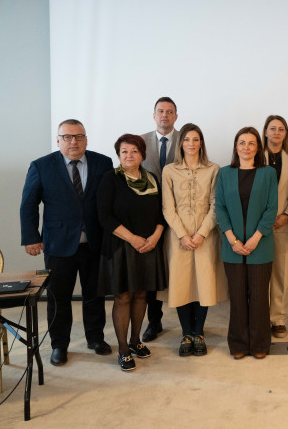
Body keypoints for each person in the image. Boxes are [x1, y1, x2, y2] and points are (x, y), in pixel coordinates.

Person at [20, 119, 113, 366]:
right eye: (67, 137)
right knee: (58, 298)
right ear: (58, 140)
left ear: (86, 139)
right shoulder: (41, 166)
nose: (74, 142)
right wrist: (31, 237)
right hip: (58, 245)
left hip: (95, 242)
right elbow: (29, 204)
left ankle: (95, 338)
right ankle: (59, 345)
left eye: (79, 136)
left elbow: (109, 201)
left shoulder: (103, 163)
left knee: (95, 295)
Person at [97, 134, 167, 372]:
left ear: (143, 155)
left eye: (134, 151)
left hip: (148, 245)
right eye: (124, 151)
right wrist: (133, 239)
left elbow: (161, 214)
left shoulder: (152, 179)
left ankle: (136, 340)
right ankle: (123, 348)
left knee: (141, 294)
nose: (129, 155)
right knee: (123, 297)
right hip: (121, 245)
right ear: (118, 155)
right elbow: (104, 216)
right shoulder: (110, 179)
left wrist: (155, 237)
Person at [162, 123, 228, 357]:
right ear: (180, 143)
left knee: (203, 284)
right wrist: (182, 234)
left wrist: (201, 234)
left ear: (201, 143)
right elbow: (168, 207)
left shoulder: (214, 169)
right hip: (177, 236)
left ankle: (198, 333)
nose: (191, 144)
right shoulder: (169, 170)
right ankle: (186, 334)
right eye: (187, 139)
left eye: (196, 139)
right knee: (182, 284)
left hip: (206, 236)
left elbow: (216, 205)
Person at [215, 127, 278, 359]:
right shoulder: (224, 173)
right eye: (242, 142)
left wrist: (255, 238)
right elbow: (220, 208)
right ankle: (239, 344)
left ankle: (260, 344)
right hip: (232, 247)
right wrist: (232, 240)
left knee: (260, 298)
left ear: (258, 147)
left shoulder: (268, 173)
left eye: (252, 143)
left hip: (260, 246)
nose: (246, 147)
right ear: (236, 146)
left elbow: (271, 208)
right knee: (238, 298)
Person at [140, 96, 179, 342]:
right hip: (149, 216)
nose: (165, 115)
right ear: (154, 115)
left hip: (180, 216)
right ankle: (154, 321)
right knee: (152, 271)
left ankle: (189, 323)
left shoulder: (187, 139)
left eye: (169, 111)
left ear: (176, 116)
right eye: (160, 111)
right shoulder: (139, 142)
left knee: (180, 267)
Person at [262, 116, 288, 339]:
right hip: (259, 225)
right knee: (260, 274)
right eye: (272, 128)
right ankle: (260, 317)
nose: (276, 132)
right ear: (265, 131)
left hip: (284, 222)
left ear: (286, 133)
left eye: (281, 129)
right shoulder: (255, 155)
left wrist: (287, 215)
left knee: (282, 274)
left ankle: (279, 320)